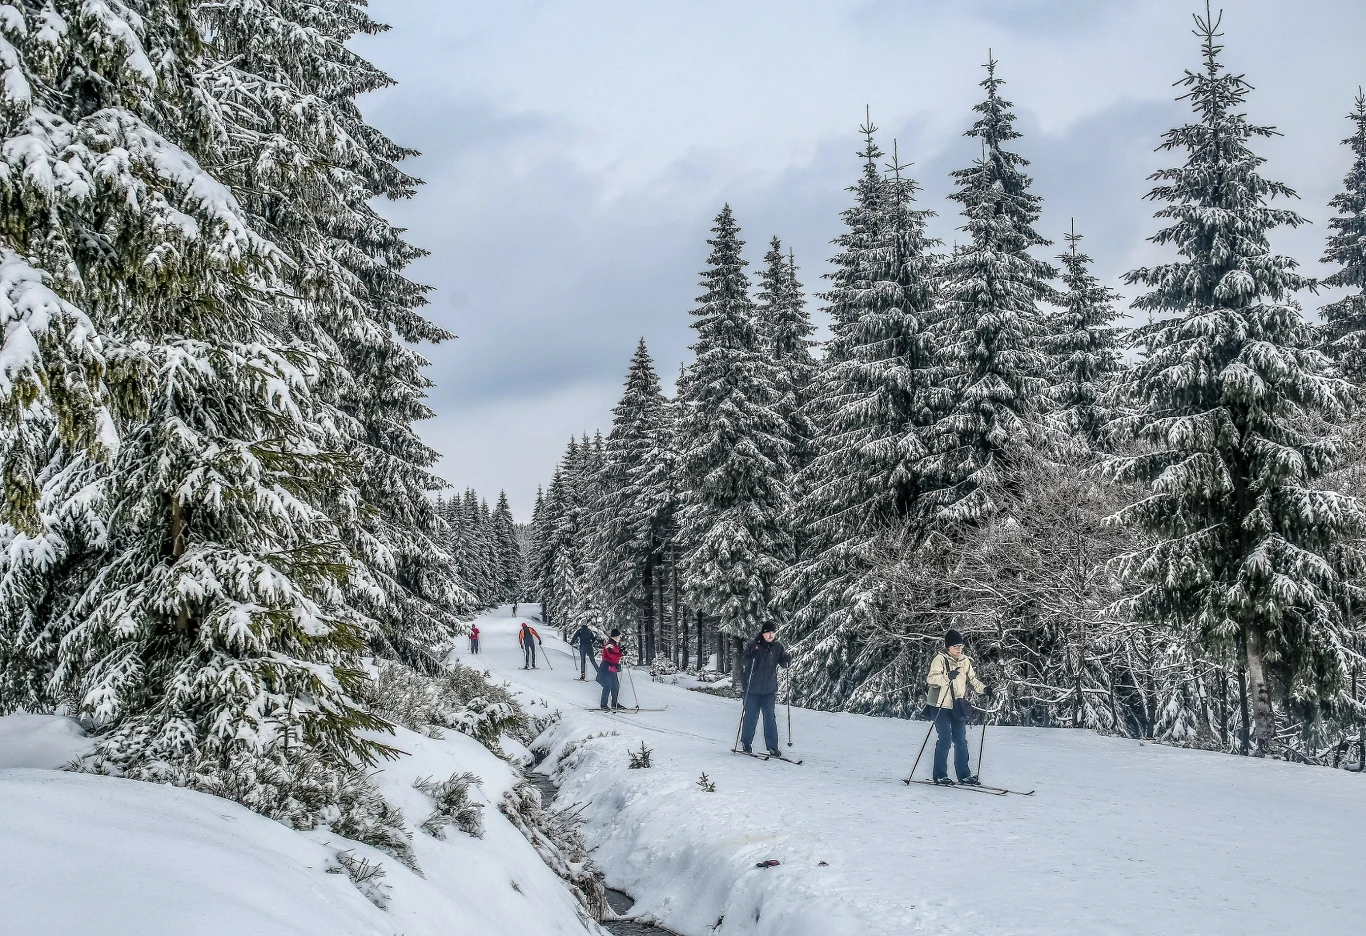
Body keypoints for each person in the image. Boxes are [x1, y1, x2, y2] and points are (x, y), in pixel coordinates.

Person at [926, 629, 993, 786]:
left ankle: (964, 775)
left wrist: (984, 689)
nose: (959, 649)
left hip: (957, 705)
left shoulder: (965, 661)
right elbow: (931, 679)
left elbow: (973, 680)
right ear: (948, 647)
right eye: (956, 646)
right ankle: (940, 775)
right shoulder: (940, 659)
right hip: (940, 705)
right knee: (945, 739)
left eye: (961, 646)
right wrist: (946, 677)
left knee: (961, 740)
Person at [738, 622, 791, 756]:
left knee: (770, 718)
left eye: (772, 632)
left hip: (769, 690)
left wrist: (787, 660)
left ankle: (772, 747)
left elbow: (783, 663)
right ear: (762, 633)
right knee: (750, 717)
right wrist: (752, 654)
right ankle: (746, 743)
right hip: (752, 689)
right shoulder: (753, 645)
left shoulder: (778, 647)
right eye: (768, 632)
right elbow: (743, 661)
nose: (770, 635)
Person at [597, 629, 624, 710]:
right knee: (608, 685)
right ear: (615, 637)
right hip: (606, 667)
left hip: (613, 667)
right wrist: (620, 653)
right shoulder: (609, 644)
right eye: (619, 636)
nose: (620, 638)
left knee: (615, 685)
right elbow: (610, 654)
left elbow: (616, 653)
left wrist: (621, 651)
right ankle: (603, 705)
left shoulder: (615, 644)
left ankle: (614, 704)